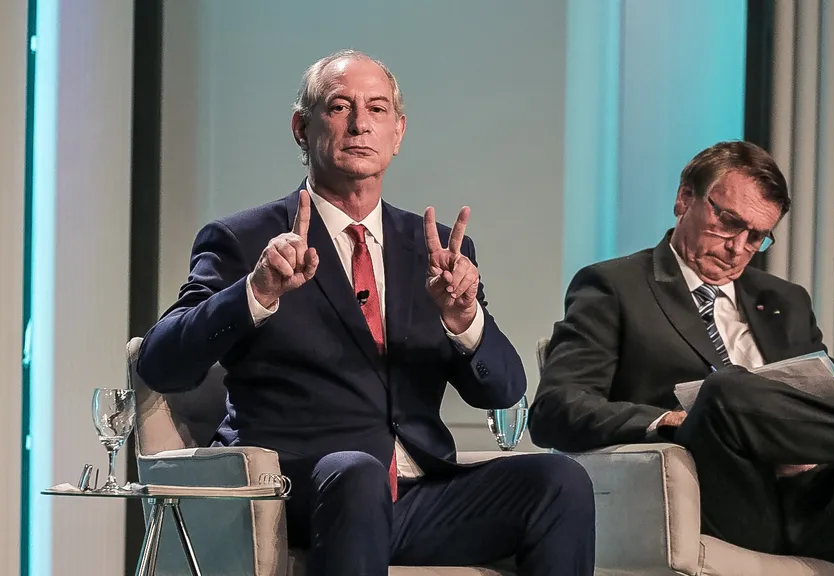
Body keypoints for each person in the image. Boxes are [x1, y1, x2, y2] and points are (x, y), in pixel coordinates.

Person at [136, 50, 595, 575]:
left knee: (560, 483)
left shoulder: (436, 249)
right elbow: (160, 364)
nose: (360, 124)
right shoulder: (246, 241)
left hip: (421, 499)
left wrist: (463, 321)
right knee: (356, 473)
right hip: (306, 494)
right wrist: (256, 292)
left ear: (397, 133)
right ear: (301, 129)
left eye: (377, 109)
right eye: (339, 107)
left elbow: (505, 389)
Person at [528, 140, 834, 572]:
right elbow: (555, 410)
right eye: (728, 222)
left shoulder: (785, 300)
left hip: (812, 501)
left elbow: (820, 409)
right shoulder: (614, 286)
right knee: (726, 388)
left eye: (756, 236)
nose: (738, 247)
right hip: (720, 494)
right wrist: (667, 420)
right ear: (684, 199)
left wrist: (810, 446)